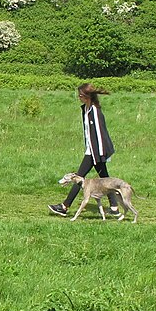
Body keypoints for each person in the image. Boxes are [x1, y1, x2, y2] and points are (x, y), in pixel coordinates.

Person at [49, 83, 121, 217]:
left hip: (96, 152)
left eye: (80, 95)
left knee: (78, 178)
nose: (79, 97)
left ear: (87, 96)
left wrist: (99, 154)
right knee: (105, 178)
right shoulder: (86, 109)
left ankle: (64, 206)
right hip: (92, 150)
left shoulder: (95, 111)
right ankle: (115, 208)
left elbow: (100, 134)